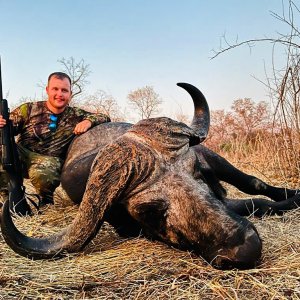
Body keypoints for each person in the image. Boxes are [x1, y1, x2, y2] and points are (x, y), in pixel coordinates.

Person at [0, 72, 111, 207]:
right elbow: (7, 129)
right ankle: (5, 196)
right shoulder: (28, 109)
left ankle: (47, 203)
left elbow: (104, 117)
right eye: (55, 89)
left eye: (64, 90)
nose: (60, 94)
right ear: (47, 90)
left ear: (70, 93)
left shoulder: (76, 114)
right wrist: (2, 124)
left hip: (49, 162)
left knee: (46, 173)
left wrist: (89, 121)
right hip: (21, 155)